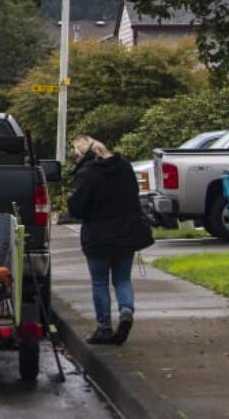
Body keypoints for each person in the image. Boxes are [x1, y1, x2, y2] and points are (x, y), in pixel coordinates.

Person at [67, 134, 154, 345]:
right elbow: (134, 197)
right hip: (126, 233)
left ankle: (104, 328)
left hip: (97, 236)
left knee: (100, 282)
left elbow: (76, 208)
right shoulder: (124, 167)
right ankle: (126, 311)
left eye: (76, 155)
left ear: (82, 153)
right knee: (122, 279)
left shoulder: (87, 174)